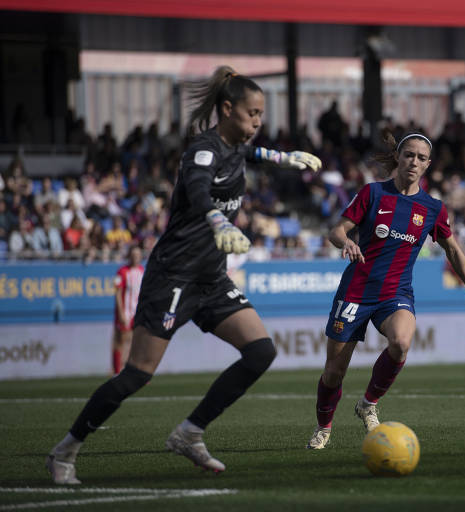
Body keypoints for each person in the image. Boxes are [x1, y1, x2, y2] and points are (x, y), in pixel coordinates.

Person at [46, 66, 321, 485]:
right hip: (172, 276)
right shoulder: (203, 149)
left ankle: (189, 433)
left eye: (261, 115)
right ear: (227, 109)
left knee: (261, 351)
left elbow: (251, 153)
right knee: (137, 373)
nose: (258, 123)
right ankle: (65, 450)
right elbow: (196, 187)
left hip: (211, 279)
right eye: (252, 114)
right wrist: (219, 222)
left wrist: (285, 158)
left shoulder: (235, 147)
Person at [306, 132, 465, 450]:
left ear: (428, 165)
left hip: (395, 294)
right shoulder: (373, 193)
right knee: (334, 372)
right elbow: (337, 229)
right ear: (399, 158)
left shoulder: (432, 208)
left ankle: (367, 404)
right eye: (409, 155)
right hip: (355, 292)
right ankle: (324, 427)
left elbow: (454, 250)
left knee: (401, 343)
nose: (414, 161)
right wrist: (346, 241)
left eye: (421, 157)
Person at [112, 245, 145, 374]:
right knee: (121, 341)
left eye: (138, 255)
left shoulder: (142, 271)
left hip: (137, 313)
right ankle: (117, 371)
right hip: (125, 312)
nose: (135, 257)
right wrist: (120, 313)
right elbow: (118, 293)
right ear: (129, 256)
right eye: (133, 254)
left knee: (139, 342)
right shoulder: (122, 271)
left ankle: (137, 371)